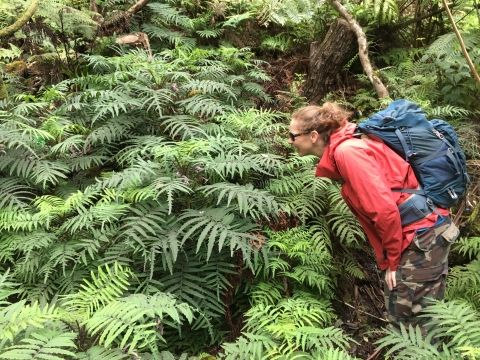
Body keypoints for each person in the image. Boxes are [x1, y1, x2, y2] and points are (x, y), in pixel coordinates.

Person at [289, 102, 460, 337]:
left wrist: (392, 261)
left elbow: (384, 211)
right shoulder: (348, 145)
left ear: (314, 135)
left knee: (411, 328)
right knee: (416, 323)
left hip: (420, 237)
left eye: (292, 135)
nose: (289, 141)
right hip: (423, 233)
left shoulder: (347, 152)